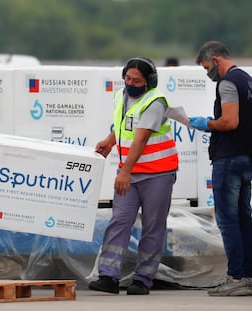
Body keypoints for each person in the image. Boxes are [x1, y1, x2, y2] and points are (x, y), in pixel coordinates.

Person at [88, 57, 178, 295]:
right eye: (127, 78)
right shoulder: (121, 96)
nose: (130, 83)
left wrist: (125, 171)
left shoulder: (155, 102)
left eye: (136, 80)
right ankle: (108, 276)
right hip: (130, 173)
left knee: (152, 226)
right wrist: (109, 141)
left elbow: (141, 138)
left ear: (149, 82)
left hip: (157, 174)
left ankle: (143, 279)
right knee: (119, 221)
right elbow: (122, 125)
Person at [189, 41, 252, 296]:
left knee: (228, 220)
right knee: (244, 219)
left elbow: (230, 121)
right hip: (246, 157)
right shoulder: (246, 79)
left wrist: (208, 123)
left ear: (215, 60)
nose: (207, 73)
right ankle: (247, 275)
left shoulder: (226, 83)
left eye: (206, 67)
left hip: (230, 159)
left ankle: (236, 278)